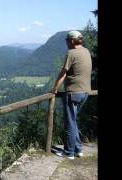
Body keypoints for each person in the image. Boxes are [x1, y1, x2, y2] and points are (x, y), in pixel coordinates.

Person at [51, 30, 92, 160]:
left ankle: (68, 153)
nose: (66, 43)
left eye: (67, 41)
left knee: (69, 123)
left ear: (72, 41)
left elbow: (63, 73)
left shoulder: (71, 53)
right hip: (85, 92)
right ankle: (78, 149)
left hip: (73, 92)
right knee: (73, 121)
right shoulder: (86, 51)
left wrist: (54, 89)